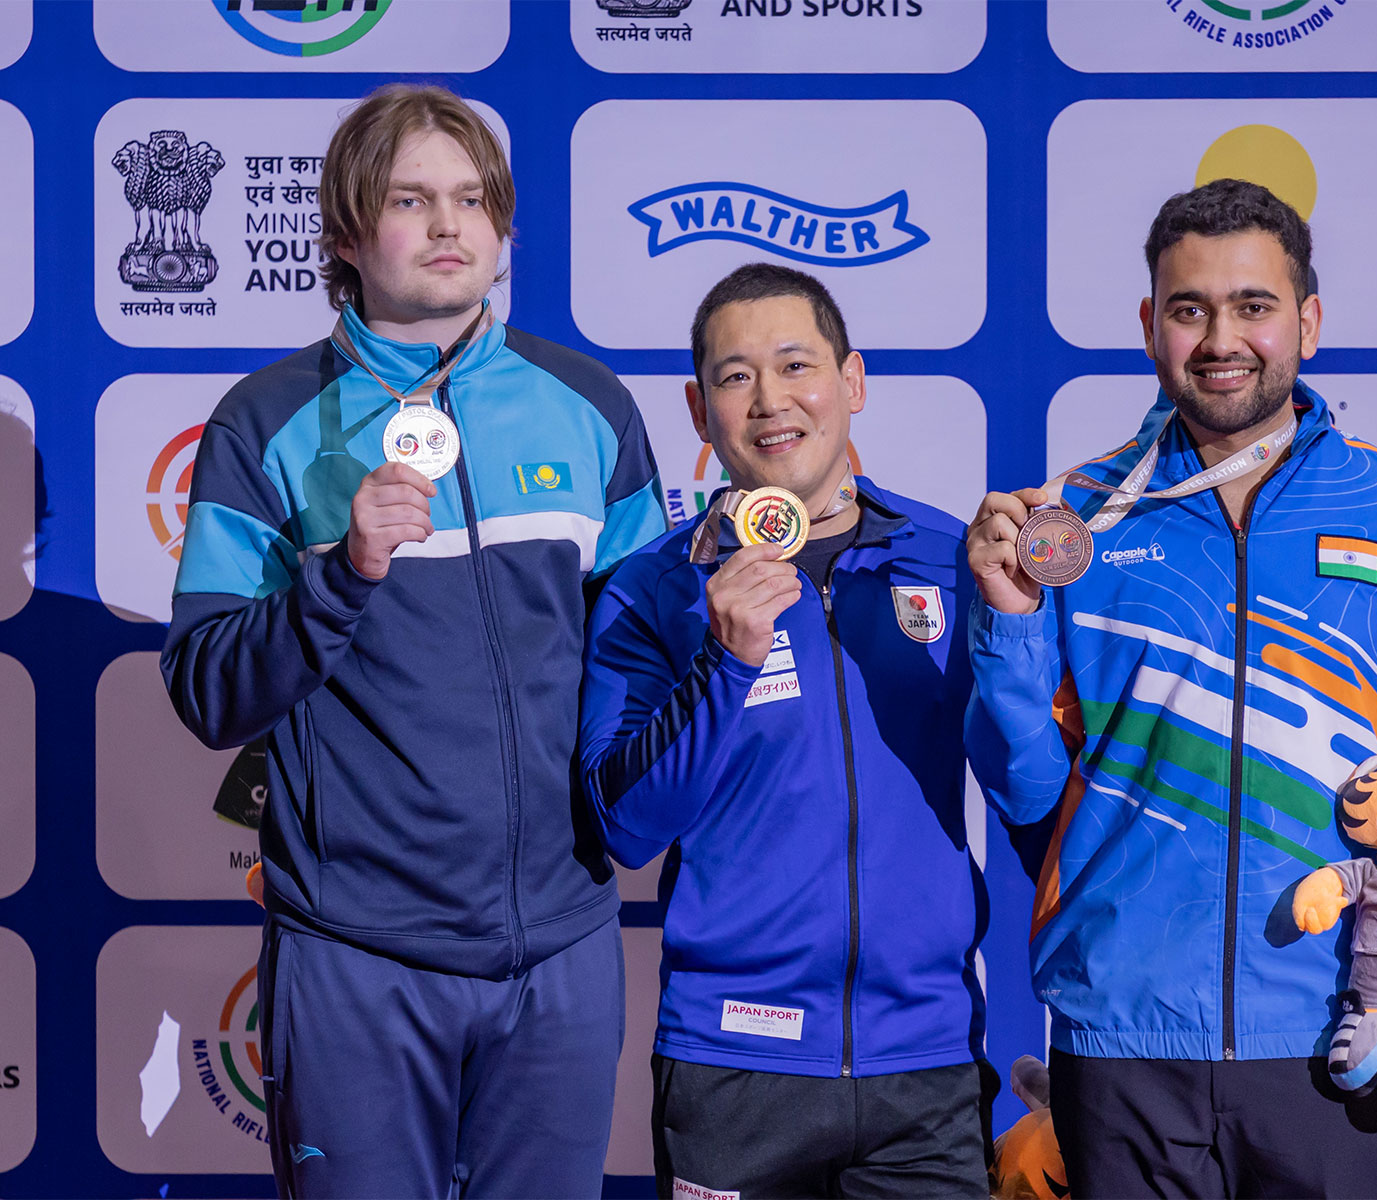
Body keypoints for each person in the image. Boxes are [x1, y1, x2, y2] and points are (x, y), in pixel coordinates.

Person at [160, 84, 666, 1198]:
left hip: (562, 945)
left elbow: (642, 659)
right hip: (356, 951)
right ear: (345, 235)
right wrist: (340, 578)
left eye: (471, 199)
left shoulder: (588, 405)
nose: (448, 225)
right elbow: (207, 688)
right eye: (409, 199)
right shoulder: (267, 421)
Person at [963, 178, 1377, 1198]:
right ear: (1149, 324)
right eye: (1190, 308)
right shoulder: (1076, 516)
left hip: (1332, 1024)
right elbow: (1028, 788)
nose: (1221, 339)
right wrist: (1008, 622)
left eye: (1253, 305)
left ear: (1308, 320)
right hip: (1119, 1027)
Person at [579, 263, 991, 1198]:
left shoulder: (949, 561)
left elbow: (1028, 782)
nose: (770, 400)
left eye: (796, 365)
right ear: (699, 411)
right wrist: (724, 662)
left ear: (852, 381)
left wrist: (1015, 631)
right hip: (734, 1066)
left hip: (926, 1064)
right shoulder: (657, 588)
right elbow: (625, 828)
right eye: (736, 377)